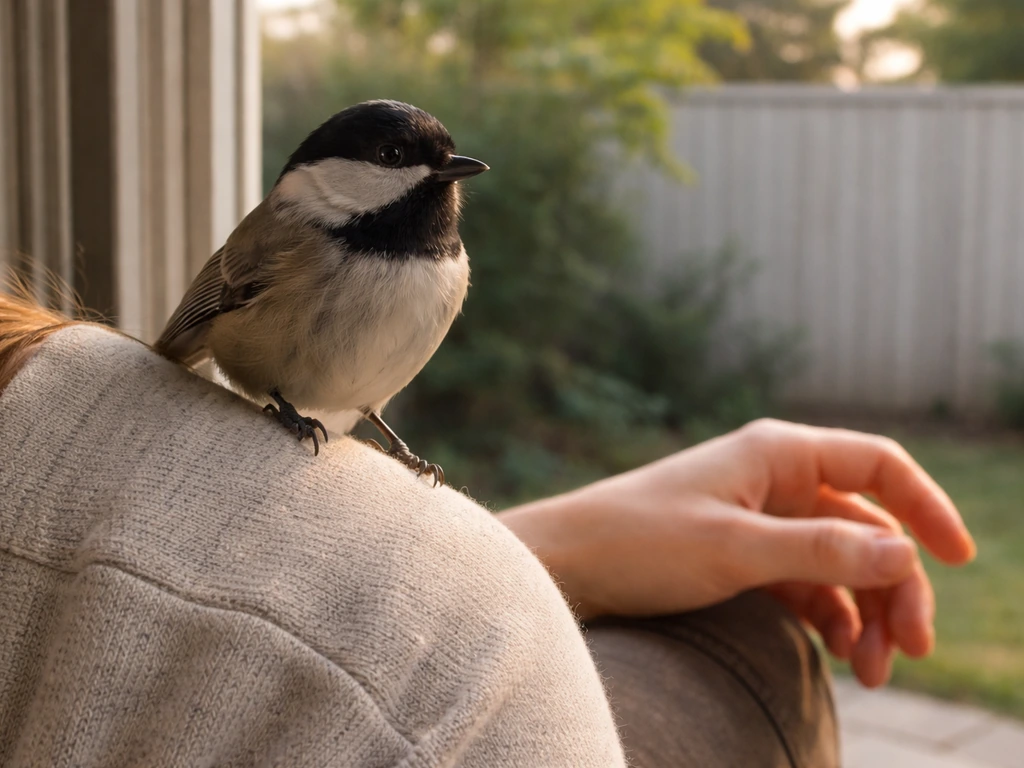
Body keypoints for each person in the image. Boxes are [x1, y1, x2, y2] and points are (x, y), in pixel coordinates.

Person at [0, 291, 975, 767]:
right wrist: (465, 589)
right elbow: (383, 675)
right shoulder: (428, 703)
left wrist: (543, 551)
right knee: (751, 637)